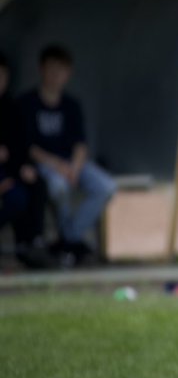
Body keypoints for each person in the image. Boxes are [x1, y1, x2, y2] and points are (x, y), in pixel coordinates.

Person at [16, 44, 116, 264]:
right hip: (44, 164)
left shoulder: (71, 105)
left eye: (61, 70)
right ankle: (71, 243)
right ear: (41, 70)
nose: (56, 76)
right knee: (58, 186)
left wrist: (75, 167)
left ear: (68, 73)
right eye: (52, 70)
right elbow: (29, 146)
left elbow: (81, 144)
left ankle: (68, 238)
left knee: (106, 186)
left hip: (72, 164)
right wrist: (59, 166)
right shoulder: (26, 104)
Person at [0, 51, 52, 269]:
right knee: (16, 197)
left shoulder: (11, 107)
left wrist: (23, 168)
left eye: (2, 76)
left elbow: (20, 145)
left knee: (36, 183)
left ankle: (31, 244)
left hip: (10, 170)